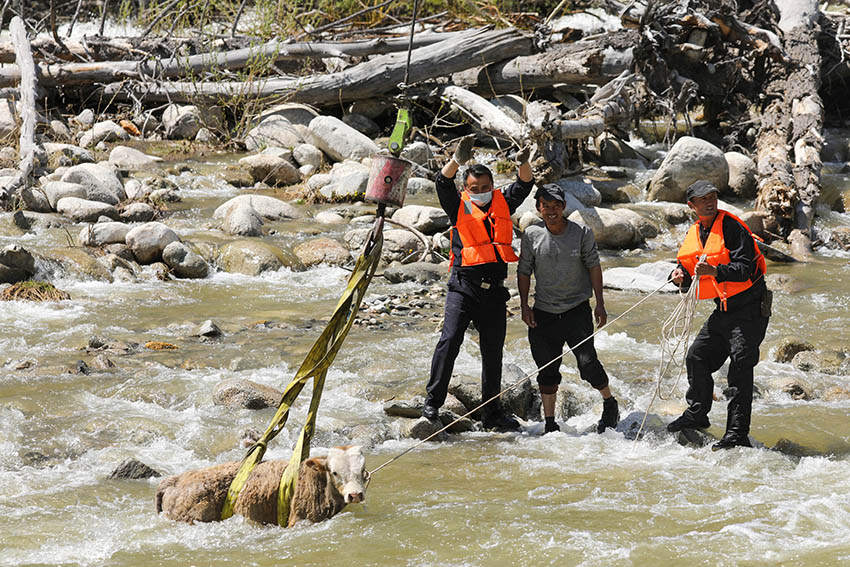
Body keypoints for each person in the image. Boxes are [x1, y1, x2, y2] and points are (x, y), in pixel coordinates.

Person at [421, 135, 534, 431]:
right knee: (449, 342)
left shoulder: (503, 202)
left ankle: (491, 412)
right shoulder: (457, 204)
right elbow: (442, 182)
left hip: (494, 292)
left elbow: (524, 185)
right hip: (463, 287)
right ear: (466, 189)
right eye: (475, 189)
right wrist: (457, 159)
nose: (481, 192)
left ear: (493, 187)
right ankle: (432, 404)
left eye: (485, 188)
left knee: (492, 351)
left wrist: (523, 163)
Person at [667, 180, 771, 450]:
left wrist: (714, 271)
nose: (710, 202)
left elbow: (744, 269)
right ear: (692, 205)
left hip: (750, 310)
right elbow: (689, 268)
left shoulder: (732, 227)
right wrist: (679, 275)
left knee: (739, 369)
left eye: (713, 197)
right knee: (697, 356)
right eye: (703, 199)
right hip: (723, 310)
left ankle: (737, 433)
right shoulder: (696, 231)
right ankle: (697, 415)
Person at [517, 185, 619, 434]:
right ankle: (550, 424)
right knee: (547, 370)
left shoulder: (581, 232)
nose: (551, 211)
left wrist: (600, 304)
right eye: (545, 206)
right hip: (543, 313)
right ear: (539, 208)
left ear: (563, 207)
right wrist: (523, 306)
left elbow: (594, 266)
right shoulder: (531, 234)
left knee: (587, 364)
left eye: (556, 206)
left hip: (576, 311)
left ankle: (609, 401)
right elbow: (524, 271)